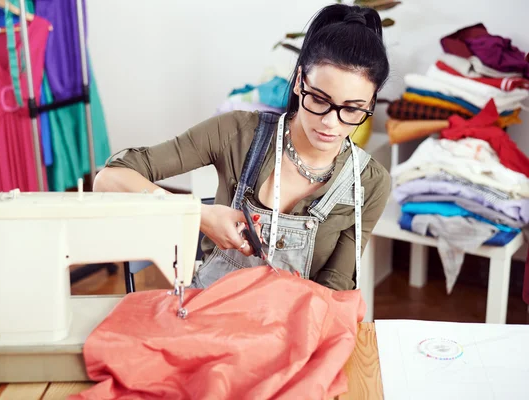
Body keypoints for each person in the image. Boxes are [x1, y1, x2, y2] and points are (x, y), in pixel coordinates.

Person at [93, 3, 391, 291]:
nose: (330, 123)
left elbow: (335, 287)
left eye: (352, 109)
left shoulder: (368, 183)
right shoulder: (237, 132)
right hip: (210, 315)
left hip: (292, 329)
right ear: (300, 81)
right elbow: (109, 179)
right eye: (319, 99)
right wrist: (199, 214)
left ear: (372, 102)